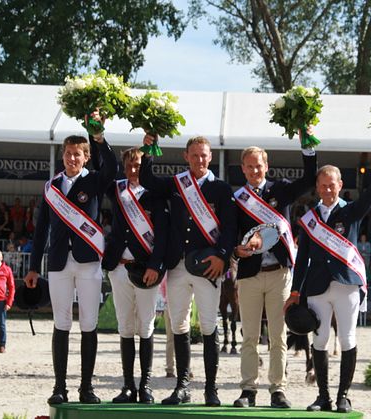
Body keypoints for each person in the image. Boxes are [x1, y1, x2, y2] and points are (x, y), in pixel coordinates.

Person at [284, 143, 371, 413]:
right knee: (320, 339)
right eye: (322, 185)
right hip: (316, 287)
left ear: (340, 185)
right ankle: (323, 396)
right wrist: (295, 292)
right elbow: (302, 260)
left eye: (331, 185)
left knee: (347, 338)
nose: (327, 189)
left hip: (346, 284)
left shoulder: (351, 211)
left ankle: (343, 396)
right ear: (317, 186)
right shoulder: (309, 218)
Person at [24, 113, 116, 405]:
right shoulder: (51, 187)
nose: (72, 158)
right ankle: (60, 387)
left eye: (78, 154)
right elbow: (40, 231)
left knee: (88, 322)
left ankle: (86, 388)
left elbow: (112, 168)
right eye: (68, 154)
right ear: (62, 156)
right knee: (61, 322)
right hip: (60, 262)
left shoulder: (95, 181)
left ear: (86, 157)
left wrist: (99, 137)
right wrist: (32, 267)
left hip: (88, 260)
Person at [139, 134, 237, 407]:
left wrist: (221, 256)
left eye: (204, 155)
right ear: (186, 157)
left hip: (208, 266)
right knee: (179, 326)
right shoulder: (176, 184)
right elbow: (147, 181)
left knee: (208, 325)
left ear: (211, 157)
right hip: (177, 265)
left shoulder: (221, 189)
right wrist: (148, 150)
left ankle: (211, 389)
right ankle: (182, 386)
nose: (199, 159)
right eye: (194, 155)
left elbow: (230, 228)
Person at [231, 138, 316, 409]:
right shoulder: (237, 199)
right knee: (250, 336)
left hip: (279, 271)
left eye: (259, 166)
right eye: (249, 167)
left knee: (279, 335)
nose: (255, 171)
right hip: (249, 274)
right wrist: (236, 251)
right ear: (242, 169)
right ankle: (248, 389)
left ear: (266, 166)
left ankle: (278, 389)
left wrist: (308, 146)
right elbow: (231, 237)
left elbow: (309, 178)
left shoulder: (281, 190)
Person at [101, 147, 168, 404]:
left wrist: (155, 265)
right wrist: (99, 139)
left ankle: (146, 384)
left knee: (146, 326)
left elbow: (162, 234)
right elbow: (103, 166)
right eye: (129, 164)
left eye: (138, 164)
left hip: (146, 269)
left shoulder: (155, 195)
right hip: (120, 267)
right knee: (125, 326)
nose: (133, 169)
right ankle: (128, 385)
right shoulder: (117, 189)